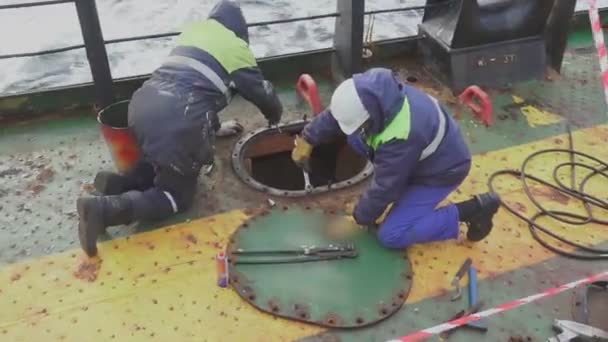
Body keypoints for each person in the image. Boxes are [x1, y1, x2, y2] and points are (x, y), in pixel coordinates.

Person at [77, 0, 282, 257]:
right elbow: (260, 92)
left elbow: (197, 88)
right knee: (176, 195)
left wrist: (215, 129)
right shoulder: (236, 47)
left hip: (142, 104)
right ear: (240, 31)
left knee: (164, 156)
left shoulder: (195, 34)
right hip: (178, 121)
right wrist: (275, 116)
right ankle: (104, 210)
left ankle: (121, 183)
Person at [291, 68, 500, 249]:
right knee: (355, 136)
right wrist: (308, 138)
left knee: (391, 235)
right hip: (417, 157)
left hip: (441, 172)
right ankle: (389, 198)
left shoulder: (401, 136)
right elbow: (338, 115)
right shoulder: (372, 94)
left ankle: (473, 210)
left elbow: (386, 187)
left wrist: (359, 219)